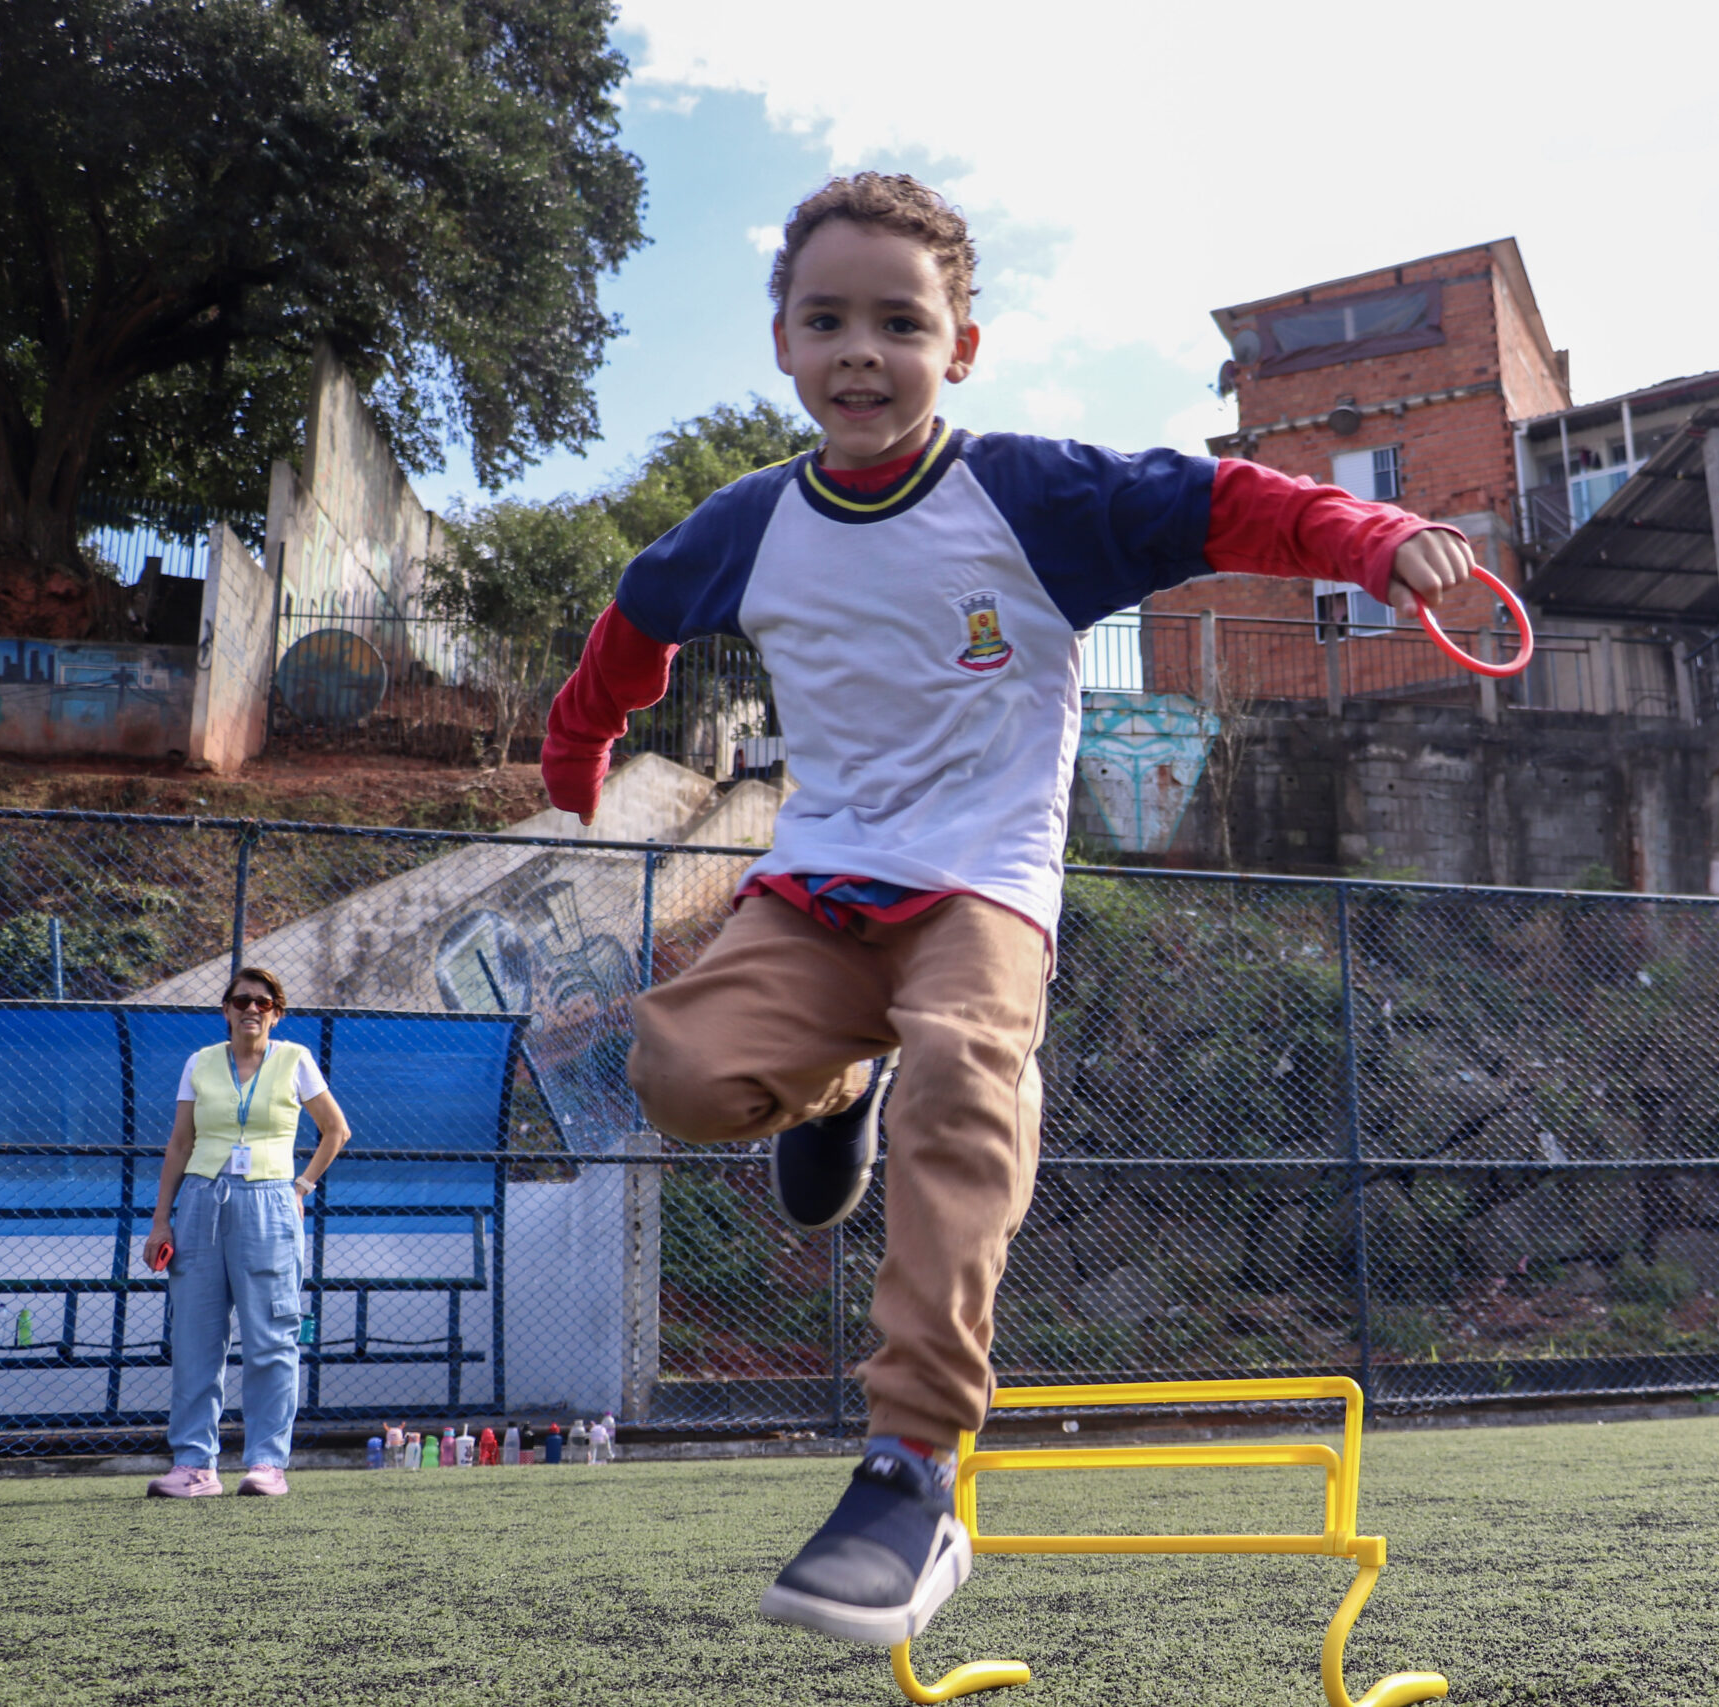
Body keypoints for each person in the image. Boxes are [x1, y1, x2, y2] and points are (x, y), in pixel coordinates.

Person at [540, 171, 1476, 1644]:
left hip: (981, 884)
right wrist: (577, 745)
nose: (863, 351)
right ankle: (832, 1088)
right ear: (781, 343)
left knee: (968, 1080)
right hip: (821, 878)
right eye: (829, 320)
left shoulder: (1033, 498)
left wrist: (1376, 541)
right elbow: (635, 623)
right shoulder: (751, 523)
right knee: (682, 1071)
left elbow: (1234, 502)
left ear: (959, 347)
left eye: (900, 323)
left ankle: (912, 1470)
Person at [140, 966, 351, 1497]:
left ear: (276, 1013)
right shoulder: (200, 1063)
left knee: (271, 1337)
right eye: (241, 1001)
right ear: (226, 1010)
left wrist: (300, 1187)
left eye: (263, 1002)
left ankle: (266, 1464)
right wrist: (162, 1218)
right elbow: (180, 1144)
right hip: (201, 1203)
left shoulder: (296, 1060)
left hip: (270, 1202)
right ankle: (194, 1465)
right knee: (195, 1340)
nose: (251, 1010)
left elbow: (336, 1129)